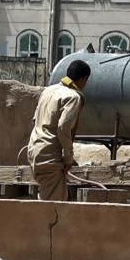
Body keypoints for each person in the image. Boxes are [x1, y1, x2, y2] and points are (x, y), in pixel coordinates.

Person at [25, 60, 89, 200]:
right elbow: (63, 127)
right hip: (50, 156)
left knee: (46, 198)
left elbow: (35, 120)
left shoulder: (48, 91)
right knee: (53, 209)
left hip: (34, 152)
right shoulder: (72, 97)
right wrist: (68, 158)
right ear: (84, 79)